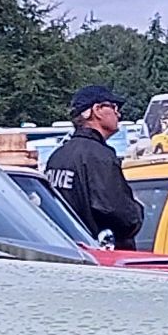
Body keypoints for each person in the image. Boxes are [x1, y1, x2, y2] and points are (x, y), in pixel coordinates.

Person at [44, 85, 145, 251]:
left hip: (67, 250)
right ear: (97, 110)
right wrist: (138, 210)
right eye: (113, 107)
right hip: (101, 256)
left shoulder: (58, 156)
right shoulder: (99, 156)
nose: (118, 114)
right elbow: (121, 216)